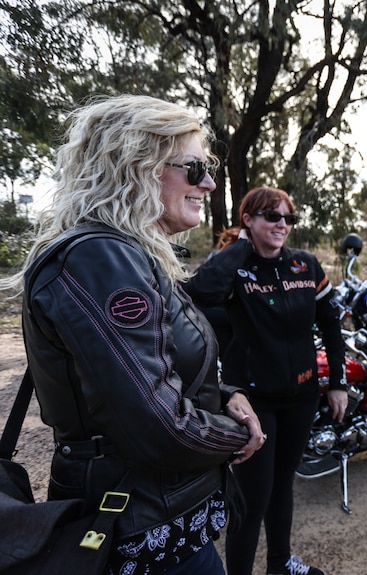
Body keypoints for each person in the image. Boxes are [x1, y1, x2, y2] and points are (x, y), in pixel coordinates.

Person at [0, 95, 265, 575]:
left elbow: (139, 369)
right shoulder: (102, 258)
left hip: (156, 517)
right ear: (137, 165)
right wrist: (239, 434)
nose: (207, 182)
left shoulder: (126, 254)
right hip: (138, 529)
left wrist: (223, 395)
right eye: (194, 167)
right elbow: (157, 425)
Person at [183, 186, 348, 575]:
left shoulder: (305, 265)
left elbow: (331, 326)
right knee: (252, 498)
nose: (282, 225)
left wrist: (337, 381)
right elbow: (198, 293)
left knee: (282, 488)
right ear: (249, 220)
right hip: (254, 402)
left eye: (288, 218)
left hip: (301, 395)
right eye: (272, 217)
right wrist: (241, 247)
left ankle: (279, 565)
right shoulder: (234, 267)